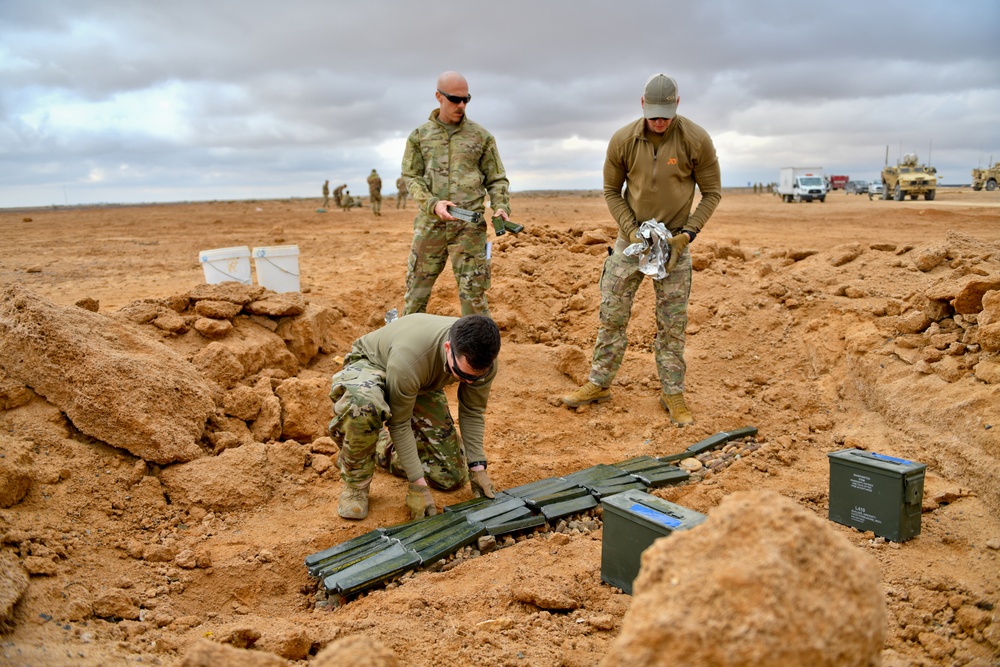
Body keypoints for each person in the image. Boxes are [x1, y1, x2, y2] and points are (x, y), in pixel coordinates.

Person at [562, 73, 722, 426]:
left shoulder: (696, 140)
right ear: (642, 105)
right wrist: (632, 232)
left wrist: (688, 235)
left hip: (674, 249)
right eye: (653, 114)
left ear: (677, 104)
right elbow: (610, 191)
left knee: (672, 324)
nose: (660, 121)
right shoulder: (623, 140)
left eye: (666, 113)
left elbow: (712, 193)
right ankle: (599, 383)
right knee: (612, 317)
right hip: (629, 245)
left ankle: (673, 393)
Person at [328, 314, 501, 520]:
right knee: (362, 405)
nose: (469, 382)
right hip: (374, 365)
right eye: (462, 375)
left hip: (420, 382)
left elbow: (472, 411)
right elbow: (399, 423)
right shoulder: (410, 360)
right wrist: (418, 484)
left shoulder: (483, 361)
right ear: (448, 348)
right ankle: (356, 482)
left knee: (450, 476)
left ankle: (374, 445)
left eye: (476, 377)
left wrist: (477, 466)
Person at [401, 70, 512, 318]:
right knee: (415, 296)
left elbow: (496, 178)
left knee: (474, 300)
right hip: (431, 226)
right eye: (454, 99)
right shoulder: (419, 137)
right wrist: (432, 204)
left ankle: (479, 356)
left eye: (466, 99)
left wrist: (501, 205)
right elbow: (412, 177)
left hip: (469, 230)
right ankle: (409, 352)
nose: (461, 105)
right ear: (439, 97)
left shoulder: (481, 137)